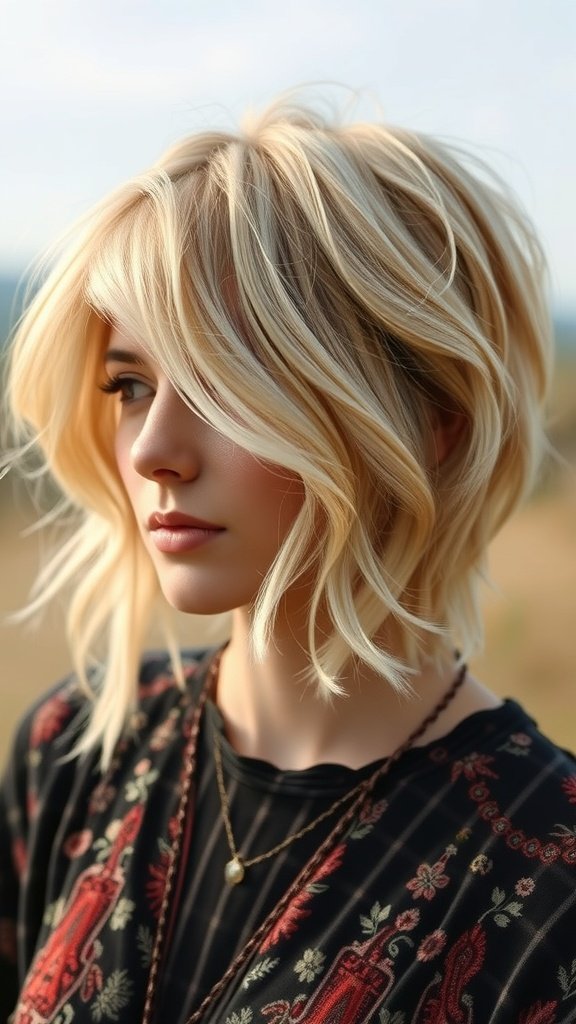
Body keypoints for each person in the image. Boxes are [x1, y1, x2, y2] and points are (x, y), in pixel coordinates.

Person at [1, 92, 574, 1024]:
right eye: (133, 385)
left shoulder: (548, 882)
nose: (153, 451)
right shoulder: (75, 752)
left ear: (431, 427)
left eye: (228, 383)